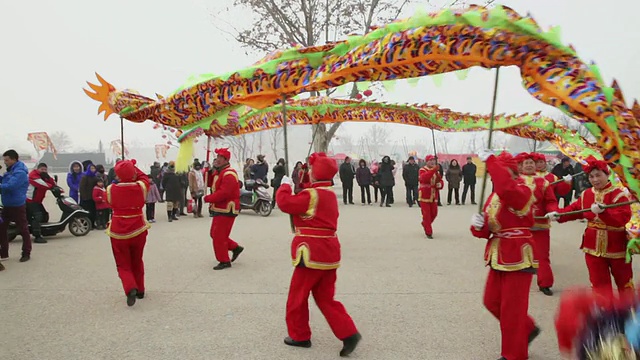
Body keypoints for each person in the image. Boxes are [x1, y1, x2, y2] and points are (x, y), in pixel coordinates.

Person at [275, 152, 361, 357]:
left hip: (311, 252)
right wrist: (304, 176)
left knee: (297, 296)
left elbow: (285, 203)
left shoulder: (311, 196)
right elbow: (308, 193)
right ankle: (348, 332)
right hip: (329, 252)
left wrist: (284, 186)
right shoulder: (328, 194)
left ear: (316, 173)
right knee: (326, 298)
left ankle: (300, 335)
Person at [470, 150, 540, 360]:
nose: (492, 176)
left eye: (495, 171)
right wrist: (478, 226)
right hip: (498, 256)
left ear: (508, 171)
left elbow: (507, 190)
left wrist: (491, 160)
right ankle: (526, 328)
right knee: (491, 301)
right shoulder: (494, 195)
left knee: (512, 312)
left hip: (518, 257)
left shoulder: (521, 189)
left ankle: (514, 355)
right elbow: (488, 230)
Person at [546, 156, 633, 298]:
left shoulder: (619, 195)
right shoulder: (587, 194)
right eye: (591, 177)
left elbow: (621, 220)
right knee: (599, 286)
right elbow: (574, 210)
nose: (595, 180)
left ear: (607, 174)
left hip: (617, 247)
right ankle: (606, 317)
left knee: (624, 284)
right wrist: (558, 215)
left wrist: (604, 213)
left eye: (598, 175)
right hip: (592, 248)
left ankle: (630, 316)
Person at [106, 160, 150, 306]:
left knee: (123, 263)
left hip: (118, 230)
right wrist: (131, 166)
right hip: (138, 227)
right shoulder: (141, 187)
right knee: (137, 260)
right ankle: (141, 289)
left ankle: (130, 287)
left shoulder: (111, 189)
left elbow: (109, 204)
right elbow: (144, 177)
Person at [516, 153, 559, 296]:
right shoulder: (515, 181)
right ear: (521, 166)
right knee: (518, 255)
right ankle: (517, 283)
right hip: (519, 225)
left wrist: (553, 211)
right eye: (526, 163)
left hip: (540, 225)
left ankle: (545, 283)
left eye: (531, 163)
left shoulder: (543, 182)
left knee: (542, 255)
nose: (529, 165)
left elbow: (551, 201)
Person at [205, 148, 244, 270]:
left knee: (218, 235)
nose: (217, 159)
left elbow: (224, 193)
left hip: (227, 209)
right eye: (216, 157)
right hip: (220, 208)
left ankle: (224, 260)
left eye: (219, 157)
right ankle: (235, 247)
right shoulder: (219, 172)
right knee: (215, 234)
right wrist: (208, 171)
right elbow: (210, 184)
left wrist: (209, 198)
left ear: (225, 159)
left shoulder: (229, 174)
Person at [0, 150, 32, 263]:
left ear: (14, 159)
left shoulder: (20, 173)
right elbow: (4, 182)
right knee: (2, 228)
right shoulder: (9, 171)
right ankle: (4, 253)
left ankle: (26, 252)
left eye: (7, 160)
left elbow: (10, 186)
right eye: (4, 160)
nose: (5, 162)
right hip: (7, 205)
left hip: (17, 205)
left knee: (23, 229)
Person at [26, 162, 57, 243]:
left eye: (45, 170)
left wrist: (49, 179)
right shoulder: (33, 175)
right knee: (38, 217)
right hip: (30, 200)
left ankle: (44, 231)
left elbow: (52, 183)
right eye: (42, 169)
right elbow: (42, 184)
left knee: (44, 216)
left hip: (37, 201)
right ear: (37, 169)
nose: (43, 171)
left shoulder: (43, 176)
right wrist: (52, 186)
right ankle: (37, 236)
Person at [418, 155, 443, 239]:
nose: (432, 162)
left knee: (434, 213)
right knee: (426, 215)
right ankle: (428, 232)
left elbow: (440, 180)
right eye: (430, 160)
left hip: (434, 195)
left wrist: (440, 184)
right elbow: (424, 178)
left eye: (433, 160)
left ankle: (425, 223)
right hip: (424, 195)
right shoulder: (422, 170)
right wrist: (433, 170)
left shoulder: (436, 171)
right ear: (426, 161)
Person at [79, 163, 98, 227]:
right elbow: (82, 187)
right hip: (86, 197)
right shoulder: (85, 176)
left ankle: (92, 224)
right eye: (91, 168)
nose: (93, 169)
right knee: (87, 211)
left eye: (94, 168)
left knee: (93, 211)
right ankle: (86, 224)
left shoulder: (95, 177)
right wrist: (84, 197)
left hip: (93, 197)